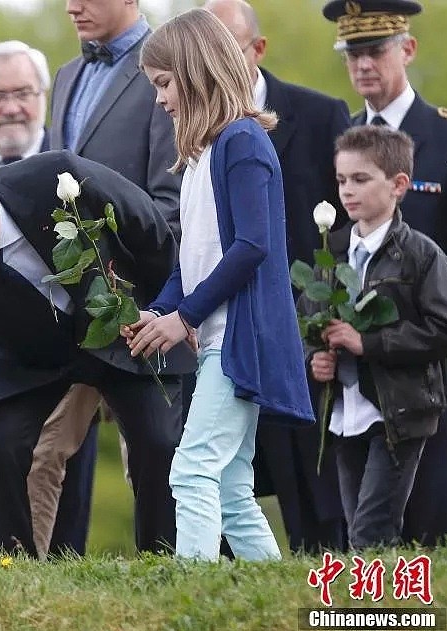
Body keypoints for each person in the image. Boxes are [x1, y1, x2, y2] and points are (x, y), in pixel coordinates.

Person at [0, 152, 192, 557]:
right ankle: (11, 567)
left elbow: (153, 235)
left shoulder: (60, 179)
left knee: (158, 440)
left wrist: (165, 313)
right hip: (23, 350)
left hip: (122, 325)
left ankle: (165, 560)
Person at [126, 8, 314, 561]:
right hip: (216, 335)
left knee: (191, 470)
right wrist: (161, 308)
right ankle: (273, 594)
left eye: (164, 84)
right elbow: (197, 257)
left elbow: (252, 246)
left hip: (240, 337)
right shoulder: (203, 155)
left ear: (196, 70)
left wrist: (183, 317)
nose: (160, 100)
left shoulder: (243, 141)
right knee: (230, 488)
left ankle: (193, 595)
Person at [30, 0, 189, 559]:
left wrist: (129, 287)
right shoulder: (66, 75)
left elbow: (169, 203)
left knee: (154, 453)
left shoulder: (169, 68)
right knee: (41, 446)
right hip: (69, 309)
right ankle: (19, 585)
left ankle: (166, 579)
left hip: (142, 310)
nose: (71, 6)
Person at [324, 0, 447, 546]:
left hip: (429, 355)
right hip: (358, 373)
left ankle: (423, 616)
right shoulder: (341, 137)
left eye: (375, 51)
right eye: (353, 54)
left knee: (427, 510)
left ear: (407, 50)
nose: (363, 65)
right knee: (365, 514)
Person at [205, 0, 351, 553]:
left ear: (257, 49)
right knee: (225, 480)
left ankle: (326, 594)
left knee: (311, 492)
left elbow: (344, 224)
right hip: (223, 328)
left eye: (229, 49)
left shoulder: (319, 115)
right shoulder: (194, 125)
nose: (216, 65)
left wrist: (316, 308)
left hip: (301, 334)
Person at [305, 125, 447, 548]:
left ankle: (375, 612)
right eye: (341, 180)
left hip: (397, 414)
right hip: (344, 414)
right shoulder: (330, 253)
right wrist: (315, 359)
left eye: (360, 179)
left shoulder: (422, 255)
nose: (347, 191)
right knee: (362, 529)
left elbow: (446, 332)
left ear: (398, 185)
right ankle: (375, 605)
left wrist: (367, 343)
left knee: (371, 531)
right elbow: (310, 322)